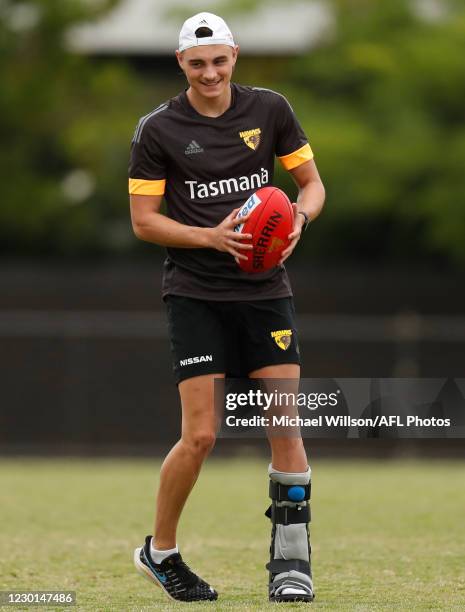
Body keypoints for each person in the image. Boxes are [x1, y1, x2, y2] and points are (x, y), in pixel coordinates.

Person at [128, 11, 325, 603]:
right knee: (202, 437)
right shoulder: (158, 129)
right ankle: (159, 553)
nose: (209, 72)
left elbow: (312, 185)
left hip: (266, 291)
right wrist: (212, 237)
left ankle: (291, 564)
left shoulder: (270, 110)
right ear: (182, 64)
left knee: (284, 424)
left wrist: (298, 216)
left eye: (219, 61)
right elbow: (144, 222)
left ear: (234, 56)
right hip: (195, 292)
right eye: (197, 63)